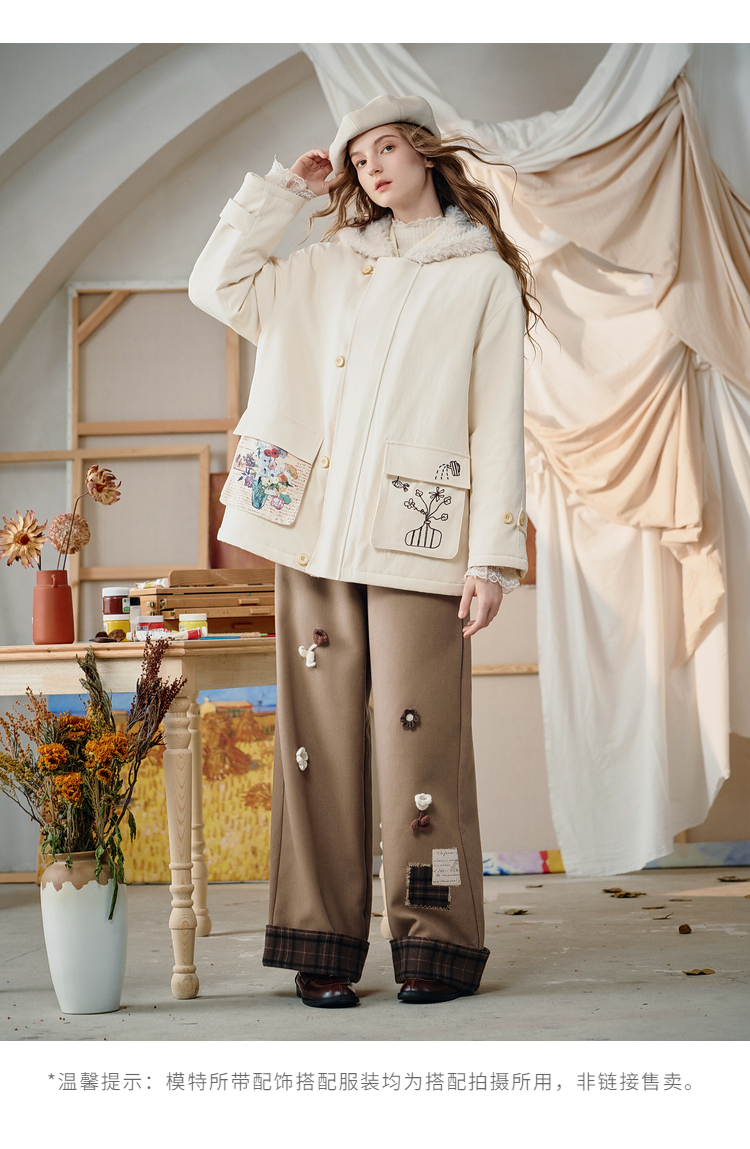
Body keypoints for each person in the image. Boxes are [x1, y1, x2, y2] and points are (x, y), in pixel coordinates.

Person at [189, 94, 536, 1007]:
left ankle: (434, 942)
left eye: (387, 148)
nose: (372, 166)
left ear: (423, 153)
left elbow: (498, 423)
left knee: (423, 752)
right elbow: (216, 285)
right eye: (358, 157)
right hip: (311, 532)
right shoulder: (326, 264)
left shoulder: (483, 277)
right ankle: (321, 941)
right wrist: (281, 194)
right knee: (316, 748)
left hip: (417, 540)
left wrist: (490, 559)